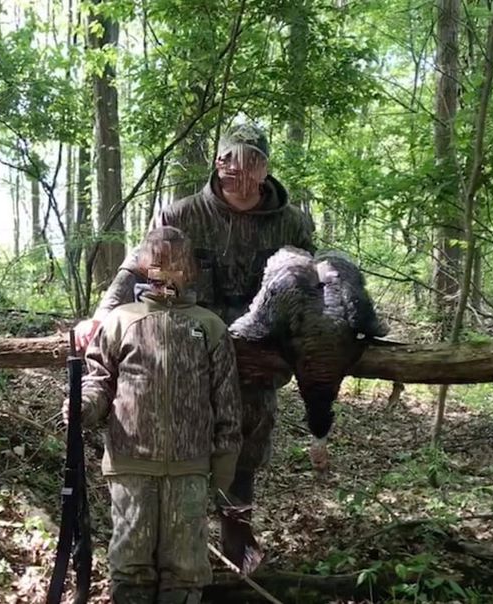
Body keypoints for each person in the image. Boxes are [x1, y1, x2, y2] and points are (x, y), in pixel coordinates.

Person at [75, 122, 315, 562]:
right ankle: (174, 548)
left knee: (244, 450)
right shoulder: (181, 214)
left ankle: (236, 545)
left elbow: (306, 287)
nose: (235, 170)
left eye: (247, 162)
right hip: (184, 346)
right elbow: (137, 268)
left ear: (264, 168)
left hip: (256, 359)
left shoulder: (292, 224)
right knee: (178, 441)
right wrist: (102, 314)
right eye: (227, 160)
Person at [72, 226, 243, 604]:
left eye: (177, 262)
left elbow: (227, 404)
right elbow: (99, 381)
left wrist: (223, 466)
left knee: (184, 569)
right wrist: (81, 408)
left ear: (191, 270)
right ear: (143, 267)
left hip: (190, 467)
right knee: (131, 563)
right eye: (158, 260)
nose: (167, 270)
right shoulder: (121, 320)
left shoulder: (209, 326)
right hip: (131, 464)